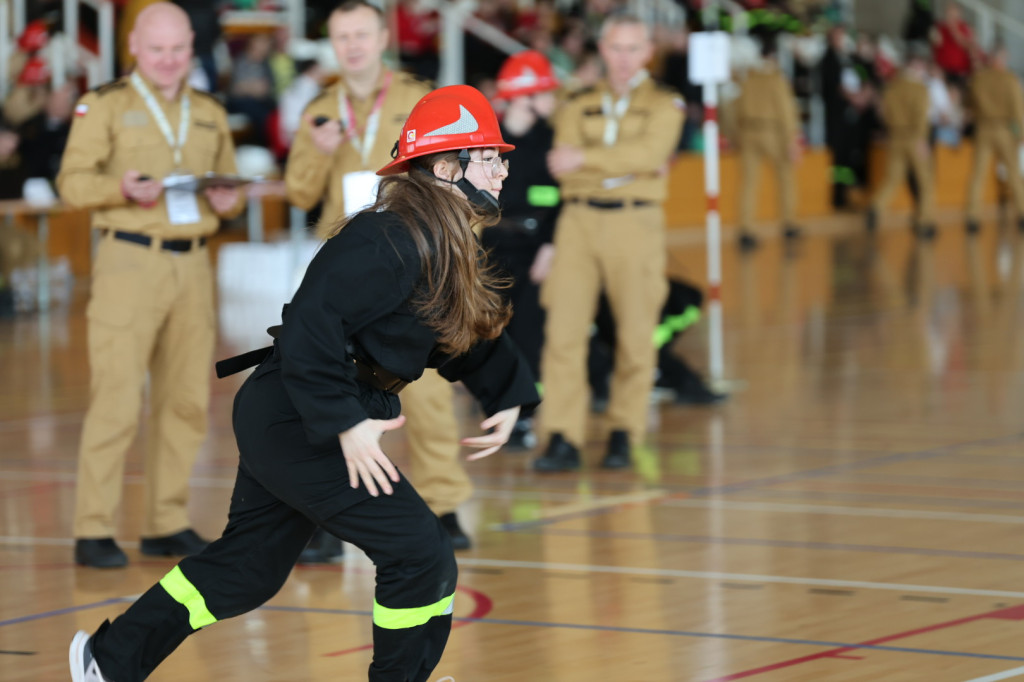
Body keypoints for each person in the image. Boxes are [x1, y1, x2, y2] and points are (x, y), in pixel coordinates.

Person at [70, 83, 538, 682]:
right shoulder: (386, 235)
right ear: (448, 167)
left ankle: (107, 663)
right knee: (419, 552)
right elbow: (309, 325)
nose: (502, 171)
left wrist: (506, 391)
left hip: (304, 409)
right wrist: (344, 424)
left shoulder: (441, 235)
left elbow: (452, 330)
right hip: (301, 413)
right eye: (491, 157)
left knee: (247, 569)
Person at [57, 3, 245, 569]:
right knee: (115, 400)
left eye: (178, 49)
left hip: (193, 266)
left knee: (185, 401)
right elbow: (71, 183)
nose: (168, 60)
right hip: (129, 263)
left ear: (193, 48)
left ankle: (166, 521)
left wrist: (227, 201)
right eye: (157, 49)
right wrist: (120, 187)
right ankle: (93, 528)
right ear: (134, 48)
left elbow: (229, 186)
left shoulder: (209, 111)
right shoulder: (107, 105)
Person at [285, 0, 475, 559]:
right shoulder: (319, 110)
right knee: (335, 389)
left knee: (430, 390)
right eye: (341, 37)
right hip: (347, 275)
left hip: (414, 264)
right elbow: (297, 193)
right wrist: (317, 155)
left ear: (382, 37)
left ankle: (443, 504)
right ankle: (330, 513)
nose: (352, 46)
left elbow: (452, 175)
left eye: (361, 34)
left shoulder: (421, 101)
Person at [533, 12, 684, 472]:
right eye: (615, 48)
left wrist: (589, 160)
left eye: (632, 49)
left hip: (635, 225)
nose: (623, 58)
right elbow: (562, 160)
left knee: (637, 333)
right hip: (577, 223)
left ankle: (624, 430)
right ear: (602, 50)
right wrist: (626, 168)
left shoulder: (665, 104)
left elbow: (652, 152)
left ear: (648, 52)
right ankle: (562, 434)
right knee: (563, 333)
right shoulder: (576, 102)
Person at [481, 49, 561, 450]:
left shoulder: (550, 139)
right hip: (491, 248)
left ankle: (524, 416)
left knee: (529, 334)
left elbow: (559, 197)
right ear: (524, 95)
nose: (552, 100)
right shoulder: (486, 139)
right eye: (544, 91)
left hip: (534, 252)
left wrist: (549, 246)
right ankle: (496, 408)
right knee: (492, 335)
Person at [733, 36, 802, 250]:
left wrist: (736, 134)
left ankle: (746, 230)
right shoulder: (776, 78)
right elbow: (786, 111)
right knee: (785, 176)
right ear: (773, 55)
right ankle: (788, 223)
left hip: (748, 132)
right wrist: (793, 138)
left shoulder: (747, 78)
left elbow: (735, 107)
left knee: (748, 183)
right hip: (773, 131)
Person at [866, 49, 936, 238]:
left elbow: (883, 113)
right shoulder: (920, 89)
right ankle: (924, 222)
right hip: (914, 137)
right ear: (916, 66)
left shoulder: (891, 87)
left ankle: (875, 206)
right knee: (925, 181)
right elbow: (922, 116)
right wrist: (922, 139)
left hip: (894, 137)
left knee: (893, 178)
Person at [964, 45, 1024, 235]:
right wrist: (1022, 134)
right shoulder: (1009, 79)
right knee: (1014, 174)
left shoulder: (978, 79)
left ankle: (972, 217)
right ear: (1002, 58)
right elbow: (1017, 109)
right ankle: (1022, 213)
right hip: (1004, 130)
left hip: (983, 129)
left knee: (978, 174)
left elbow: (969, 105)